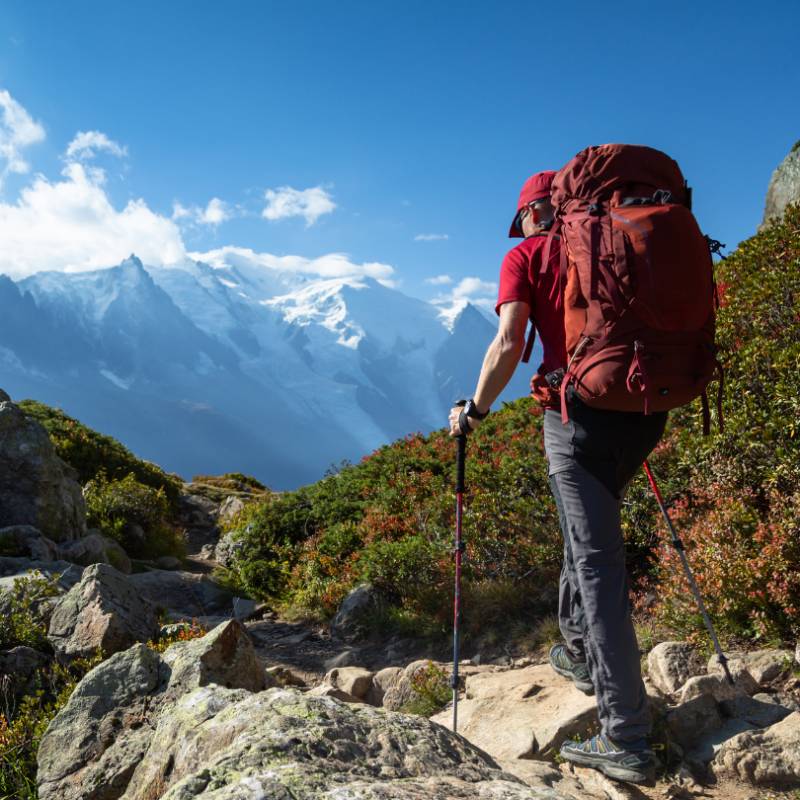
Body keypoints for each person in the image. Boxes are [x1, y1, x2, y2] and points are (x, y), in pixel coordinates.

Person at [448, 170, 666, 785]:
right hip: (647, 408)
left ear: (527, 216)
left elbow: (510, 341)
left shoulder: (525, 254)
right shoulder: (609, 240)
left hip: (578, 417)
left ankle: (626, 734)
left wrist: (476, 410)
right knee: (587, 530)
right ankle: (576, 650)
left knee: (597, 559)